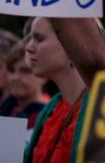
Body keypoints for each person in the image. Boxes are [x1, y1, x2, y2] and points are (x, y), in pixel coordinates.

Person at [22, 17, 87, 163]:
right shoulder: (51, 108)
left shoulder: (97, 111)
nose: (29, 47)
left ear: (71, 43)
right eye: (31, 38)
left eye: (38, 39)